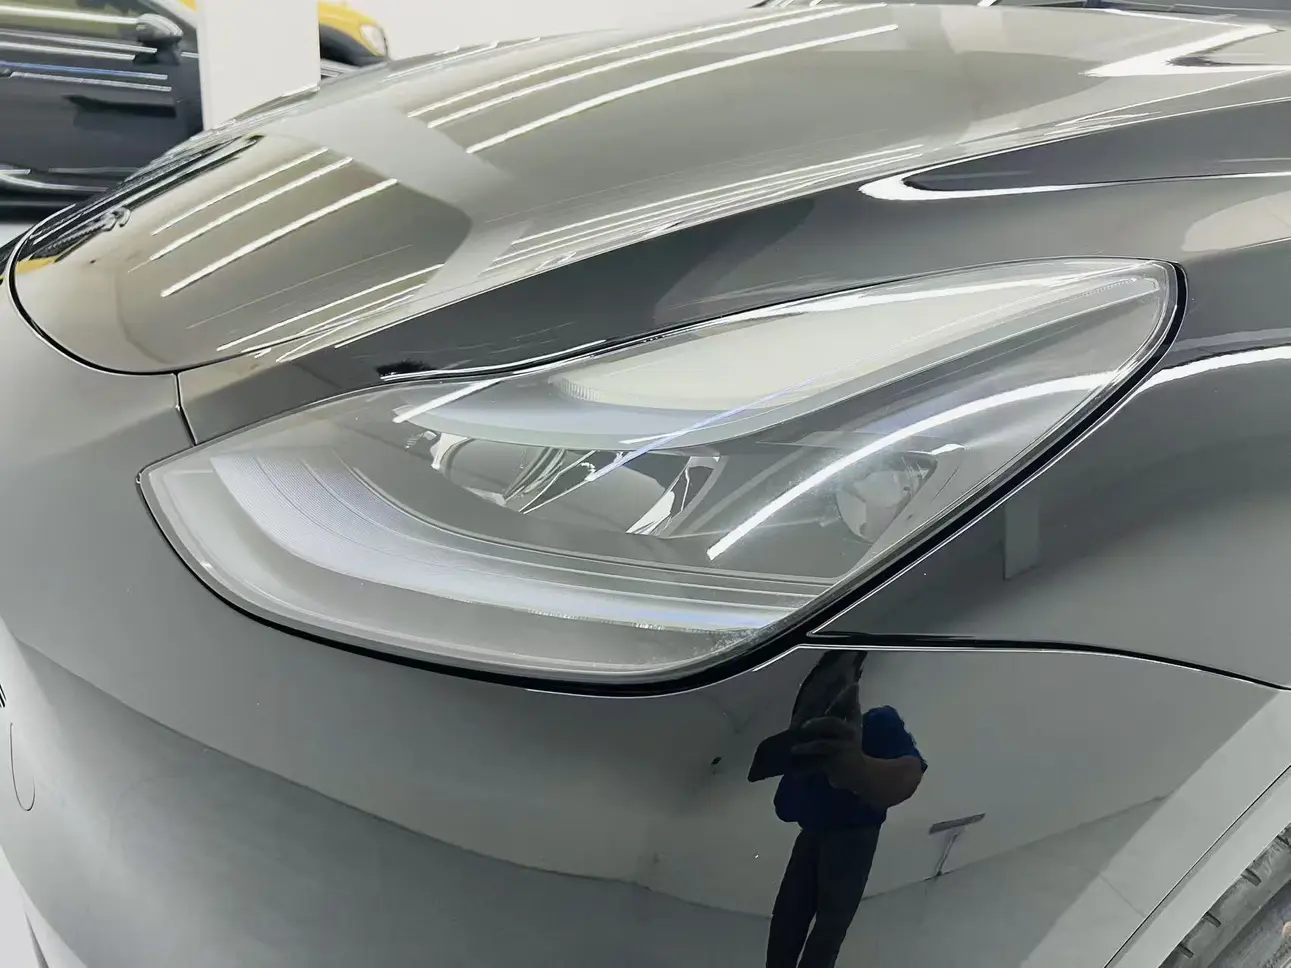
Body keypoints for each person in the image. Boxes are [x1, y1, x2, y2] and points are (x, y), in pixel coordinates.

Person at [765, 651, 926, 968]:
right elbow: (784, 807)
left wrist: (858, 770)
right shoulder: (807, 745)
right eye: (819, 687)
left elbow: (909, 774)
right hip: (816, 835)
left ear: (855, 683)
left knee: (825, 927)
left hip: (852, 836)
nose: (826, 695)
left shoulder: (878, 722)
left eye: (837, 685)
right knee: (790, 919)